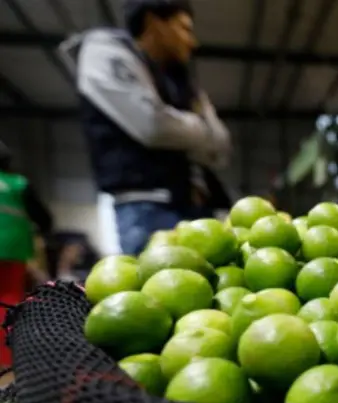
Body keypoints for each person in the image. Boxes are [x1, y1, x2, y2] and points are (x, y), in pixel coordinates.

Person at [64, 0, 232, 256]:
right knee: (160, 288)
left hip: (194, 207)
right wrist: (199, 129)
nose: (192, 42)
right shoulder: (105, 52)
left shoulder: (181, 80)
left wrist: (182, 127)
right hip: (147, 210)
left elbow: (221, 146)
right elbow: (153, 126)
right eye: (184, 29)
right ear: (155, 22)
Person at [0, 141, 53, 369]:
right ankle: (6, 362)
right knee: (8, 300)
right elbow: (45, 220)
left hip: (13, 250)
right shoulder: (18, 184)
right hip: (12, 249)